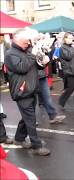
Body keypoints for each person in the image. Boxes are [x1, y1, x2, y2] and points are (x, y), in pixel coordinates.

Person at [4, 28, 50, 156]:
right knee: (30, 118)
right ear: (17, 38)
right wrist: (33, 54)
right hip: (22, 91)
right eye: (27, 39)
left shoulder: (26, 51)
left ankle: (19, 138)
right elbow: (22, 68)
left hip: (31, 88)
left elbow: (33, 66)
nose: (29, 43)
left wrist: (43, 64)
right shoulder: (10, 54)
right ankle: (36, 146)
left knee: (27, 117)